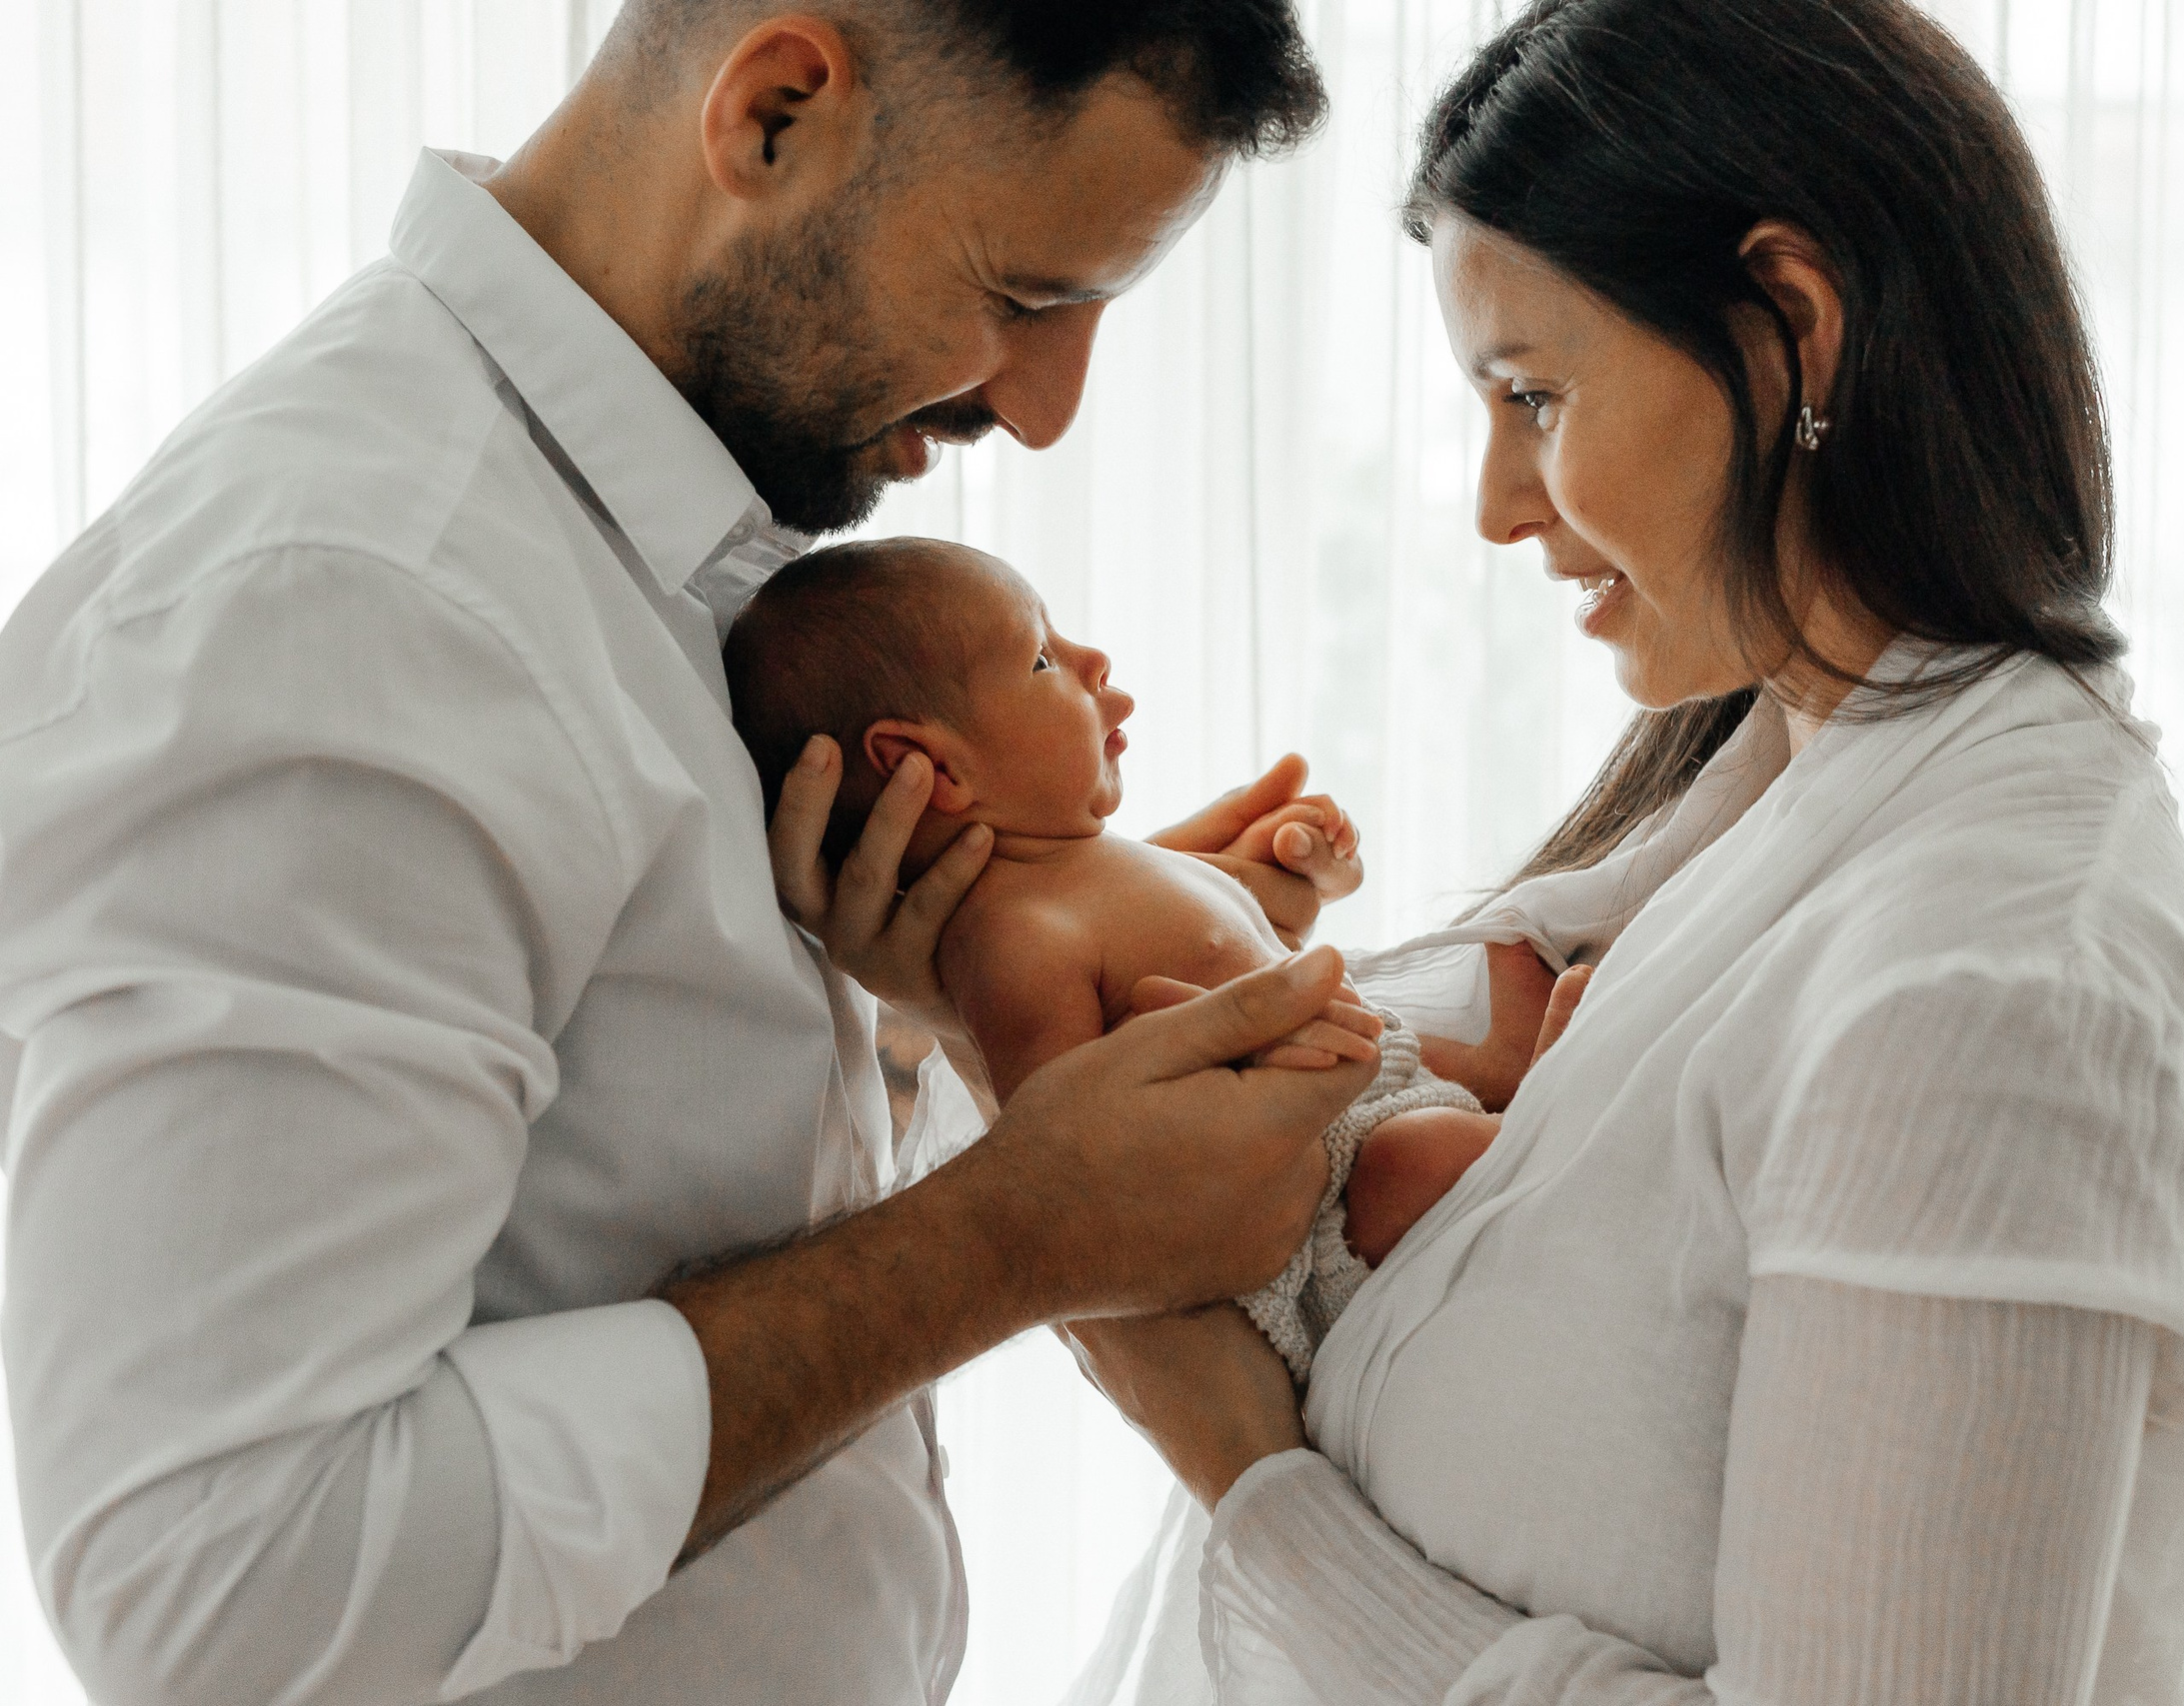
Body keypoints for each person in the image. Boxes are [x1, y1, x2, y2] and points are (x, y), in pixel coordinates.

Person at [0, 5, 1379, 1705]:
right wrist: (1019, 1235)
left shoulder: (660, 552)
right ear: (777, 111)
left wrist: (935, 999)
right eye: (1025, 298)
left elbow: (588, 1183)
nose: (1045, 409)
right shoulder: (345, 601)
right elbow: (225, 1591)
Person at [1063, 2, 2184, 1702]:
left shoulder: (1997, 998)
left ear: (1791, 329)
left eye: (1536, 394)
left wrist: (1250, 1482)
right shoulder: (1764, 807)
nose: (1497, 501)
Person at [722, 536, 1524, 1371]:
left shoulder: (1090, 861)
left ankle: (1503, 1080)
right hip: (1316, 1199)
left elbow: (1241, 952)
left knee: (1450, 1029)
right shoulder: (1016, 939)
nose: (1092, 659)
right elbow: (1085, 1173)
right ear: (929, 766)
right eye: (1040, 658)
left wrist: (1290, 876)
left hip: (1366, 1080)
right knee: (1428, 1158)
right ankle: (1536, 1137)